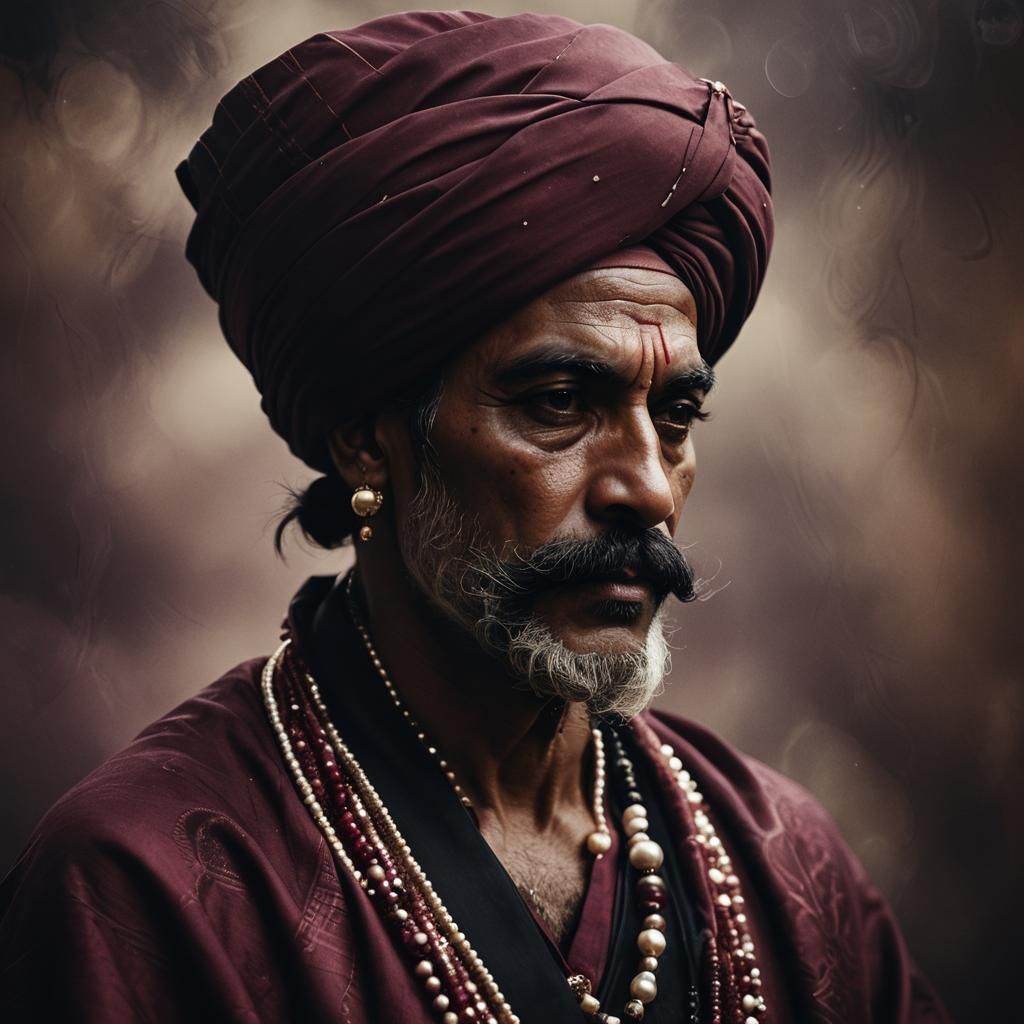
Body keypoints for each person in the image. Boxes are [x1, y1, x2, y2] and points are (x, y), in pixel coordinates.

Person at [0, 11, 950, 1024]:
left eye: (673, 415)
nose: (647, 488)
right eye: (558, 403)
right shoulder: (141, 889)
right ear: (369, 437)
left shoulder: (785, 869)